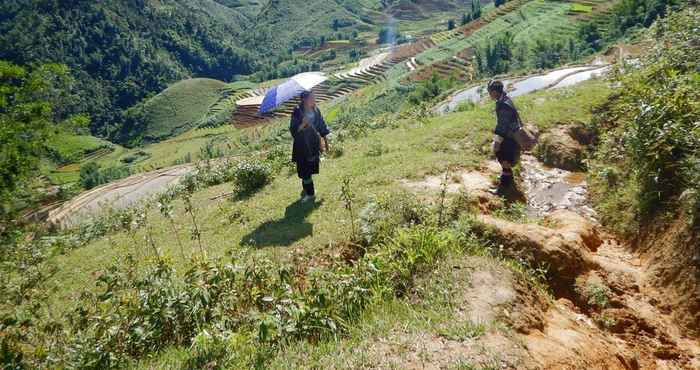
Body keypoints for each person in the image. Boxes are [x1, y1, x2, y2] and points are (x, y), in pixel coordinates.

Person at [290, 91, 330, 202]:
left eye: (314, 97)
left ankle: (308, 191)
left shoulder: (315, 110)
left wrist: (326, 142)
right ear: (304, 99)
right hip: (301, 145)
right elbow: (294, 130)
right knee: (304, 170)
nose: (314, 99)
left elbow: (321, 125)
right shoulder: (297, 111)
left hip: (312, 144)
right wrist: (302, 124)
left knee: (308, 169)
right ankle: (310, 193)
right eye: (312, 98)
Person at [487, 80, 521, 189]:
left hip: (509, 137)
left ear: (496, 91)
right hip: (511, 135)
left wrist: (497, 141)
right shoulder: (505, 99)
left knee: (502, 157)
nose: (489, 94)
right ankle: (508, 179)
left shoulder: (503, 105)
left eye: (490, 91)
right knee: (504, 158)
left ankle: (503, 188)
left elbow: (502, 125)